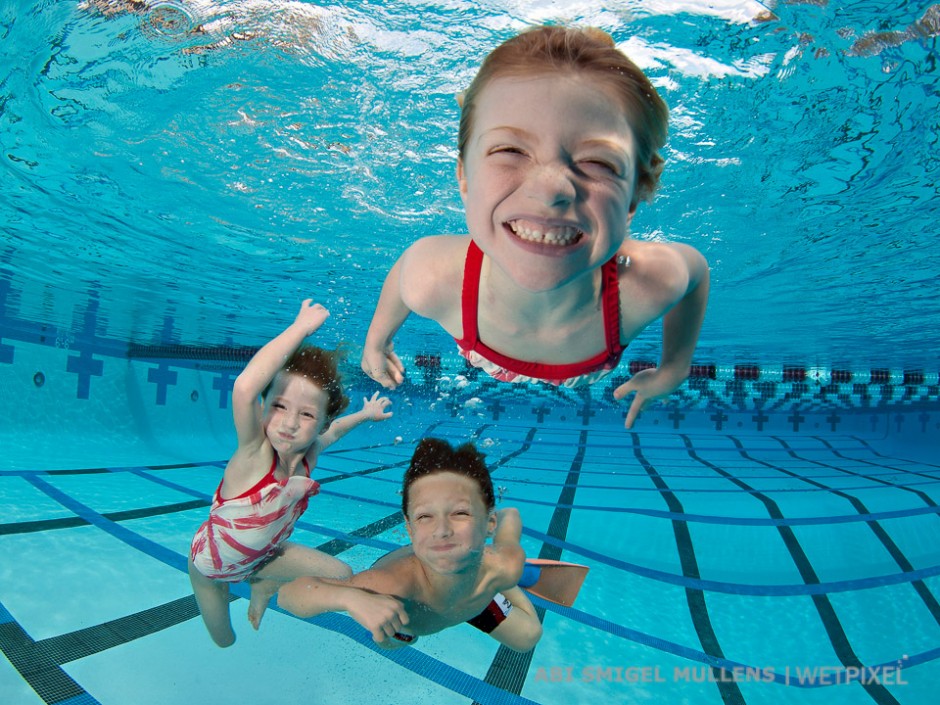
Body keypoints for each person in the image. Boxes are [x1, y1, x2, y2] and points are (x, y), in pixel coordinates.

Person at [361, 25, 709, 428]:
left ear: (633, 197)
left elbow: (696, 273)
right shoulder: (434, 278)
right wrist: (377, 341)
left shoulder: (648, 283)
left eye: (598, 162)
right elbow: (405, 273)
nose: (550, 191)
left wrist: (674, 369)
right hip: (486, 350)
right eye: (509, 150)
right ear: (464, 177)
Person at [188, 299, 393, 647]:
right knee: (224, 640)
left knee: (341, 575)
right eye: (279, 407)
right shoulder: (254, 454)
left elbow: (337, 430)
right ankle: (247, 587)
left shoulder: (309, 454)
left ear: (320, 423)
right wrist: (299, 330)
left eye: (307, 415)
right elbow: (243, 388)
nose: (289, 423)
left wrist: (365, 414)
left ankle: (265, 583)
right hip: (210, 568)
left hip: (262, 560)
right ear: (264, 406)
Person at [277, 438, 543, 652]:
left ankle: (493, 579)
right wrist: (348, 597)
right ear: (409, 528)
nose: (442, 530)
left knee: (528, 636)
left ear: (490, 523)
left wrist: (501, 558)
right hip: (411, 613)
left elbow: (511, 518)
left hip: (475, 592)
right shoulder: (391, 587)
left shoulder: (504, 564)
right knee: (393, 640)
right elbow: (290, 595)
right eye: (425, 517)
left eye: (460, 513)